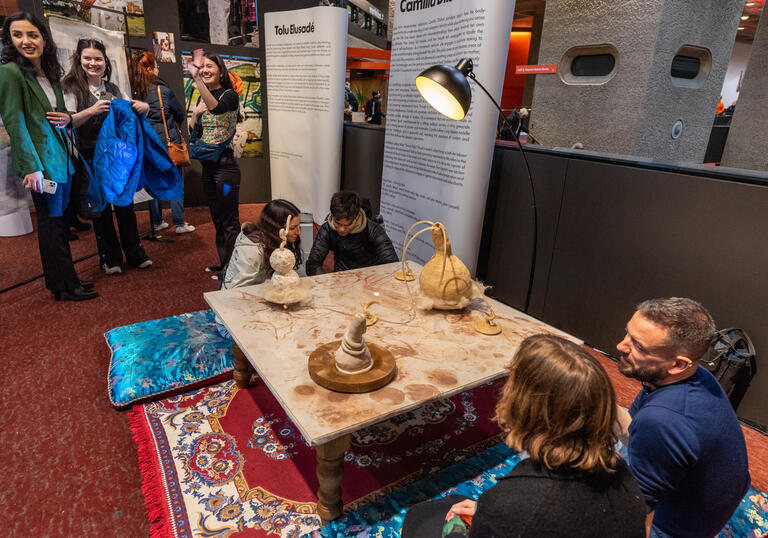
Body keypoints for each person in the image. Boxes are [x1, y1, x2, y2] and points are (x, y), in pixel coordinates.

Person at [401, 334, 647, 537]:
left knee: (421, 519)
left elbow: (530, 514)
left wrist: (463, 528)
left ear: (524, 404)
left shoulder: (513, 503)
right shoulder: (622, 473)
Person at [615, 297, 750, 538]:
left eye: (639, 346)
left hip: (675, 527)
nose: (620, 346)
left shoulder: (663, 420)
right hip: (707, 496)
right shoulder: (692, 376)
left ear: (678, 364)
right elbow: (634, 424)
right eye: (627, 334)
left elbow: (635, 513)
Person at [0, 11, 98, 301]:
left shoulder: (49, 72)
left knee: (59, 223)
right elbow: (15, 122)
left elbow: (53, 115)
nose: (26, 41)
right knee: (51, 224)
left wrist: (68, 119)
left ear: (44, 39)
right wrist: (31, 168)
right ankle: (63, 284)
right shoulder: (10, 72)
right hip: (41, 165)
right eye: (18, 35)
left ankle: (66, 279)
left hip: (62, 159)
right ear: (9, 39)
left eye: (32, 34)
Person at [62, 38, 152, 275]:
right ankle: (110, 257)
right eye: (88, 58)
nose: (93, 63)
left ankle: (135, 252)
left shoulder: (112, 88)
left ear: (105, 62)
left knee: (124, 204)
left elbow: (129, 109)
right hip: (91, 156)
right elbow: (67, 122)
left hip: (117, 155)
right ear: (79, 60)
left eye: (98, 59)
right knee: (100, 209)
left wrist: (143, 106)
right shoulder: (71, 88)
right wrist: (92, 110)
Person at [187, 49, 242, 278]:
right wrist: (194, 115)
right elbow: (194, 132)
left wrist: (197, 79)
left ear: (221, 72)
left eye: (210, 67)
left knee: (230, 220)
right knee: (217, 218)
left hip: (226, 170)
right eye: (203, 67)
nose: (205, 70)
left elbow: (217, 108)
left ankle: (235, 268)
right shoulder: (202, 97)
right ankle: (225, 262)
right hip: (208, 169)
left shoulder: (229, 95)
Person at [216, 199, 303, 337]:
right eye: (292, 228)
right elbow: (236, 295)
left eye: (299, 226)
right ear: (277, 229)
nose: (298, 232)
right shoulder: (252, 251)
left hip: (260, 305)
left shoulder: (277, 241)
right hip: (232, 321)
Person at [130, 51, 195, 235]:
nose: (158, 69)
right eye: (156, 66)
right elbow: (179, 114)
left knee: (153, 184)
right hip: (168, 143)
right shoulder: (162, 90)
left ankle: (157, 222)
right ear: (150, 69)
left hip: (148, 145)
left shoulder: (134, 92)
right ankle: (180, 223)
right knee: (175, 181)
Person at [305, 190, 397, 275]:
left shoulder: (373, 230)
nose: (341, 229)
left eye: (348, 225)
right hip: (341, 277)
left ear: (356, 218)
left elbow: (392, 264)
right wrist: (327, 283)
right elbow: (312, 264)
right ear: (332, 216)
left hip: (370, 277)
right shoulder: (328, 229)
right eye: (338, 223)